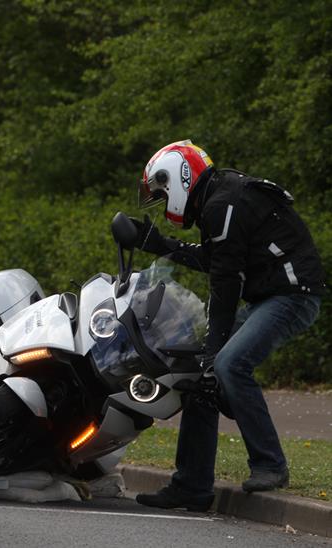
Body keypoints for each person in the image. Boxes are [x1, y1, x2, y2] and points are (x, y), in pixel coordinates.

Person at [130, 140, 326, 511]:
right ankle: (191, 485)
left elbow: (226, 283)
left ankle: (270, 465)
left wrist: (214, 349)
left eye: (161, 191)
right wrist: (159, 245)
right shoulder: (218, 199)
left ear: (176, 178)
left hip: (292, 296)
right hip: (271, 296)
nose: (162, 200)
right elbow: (216, 258)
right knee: (202, 379)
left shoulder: (222, 203)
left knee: (227, 364)